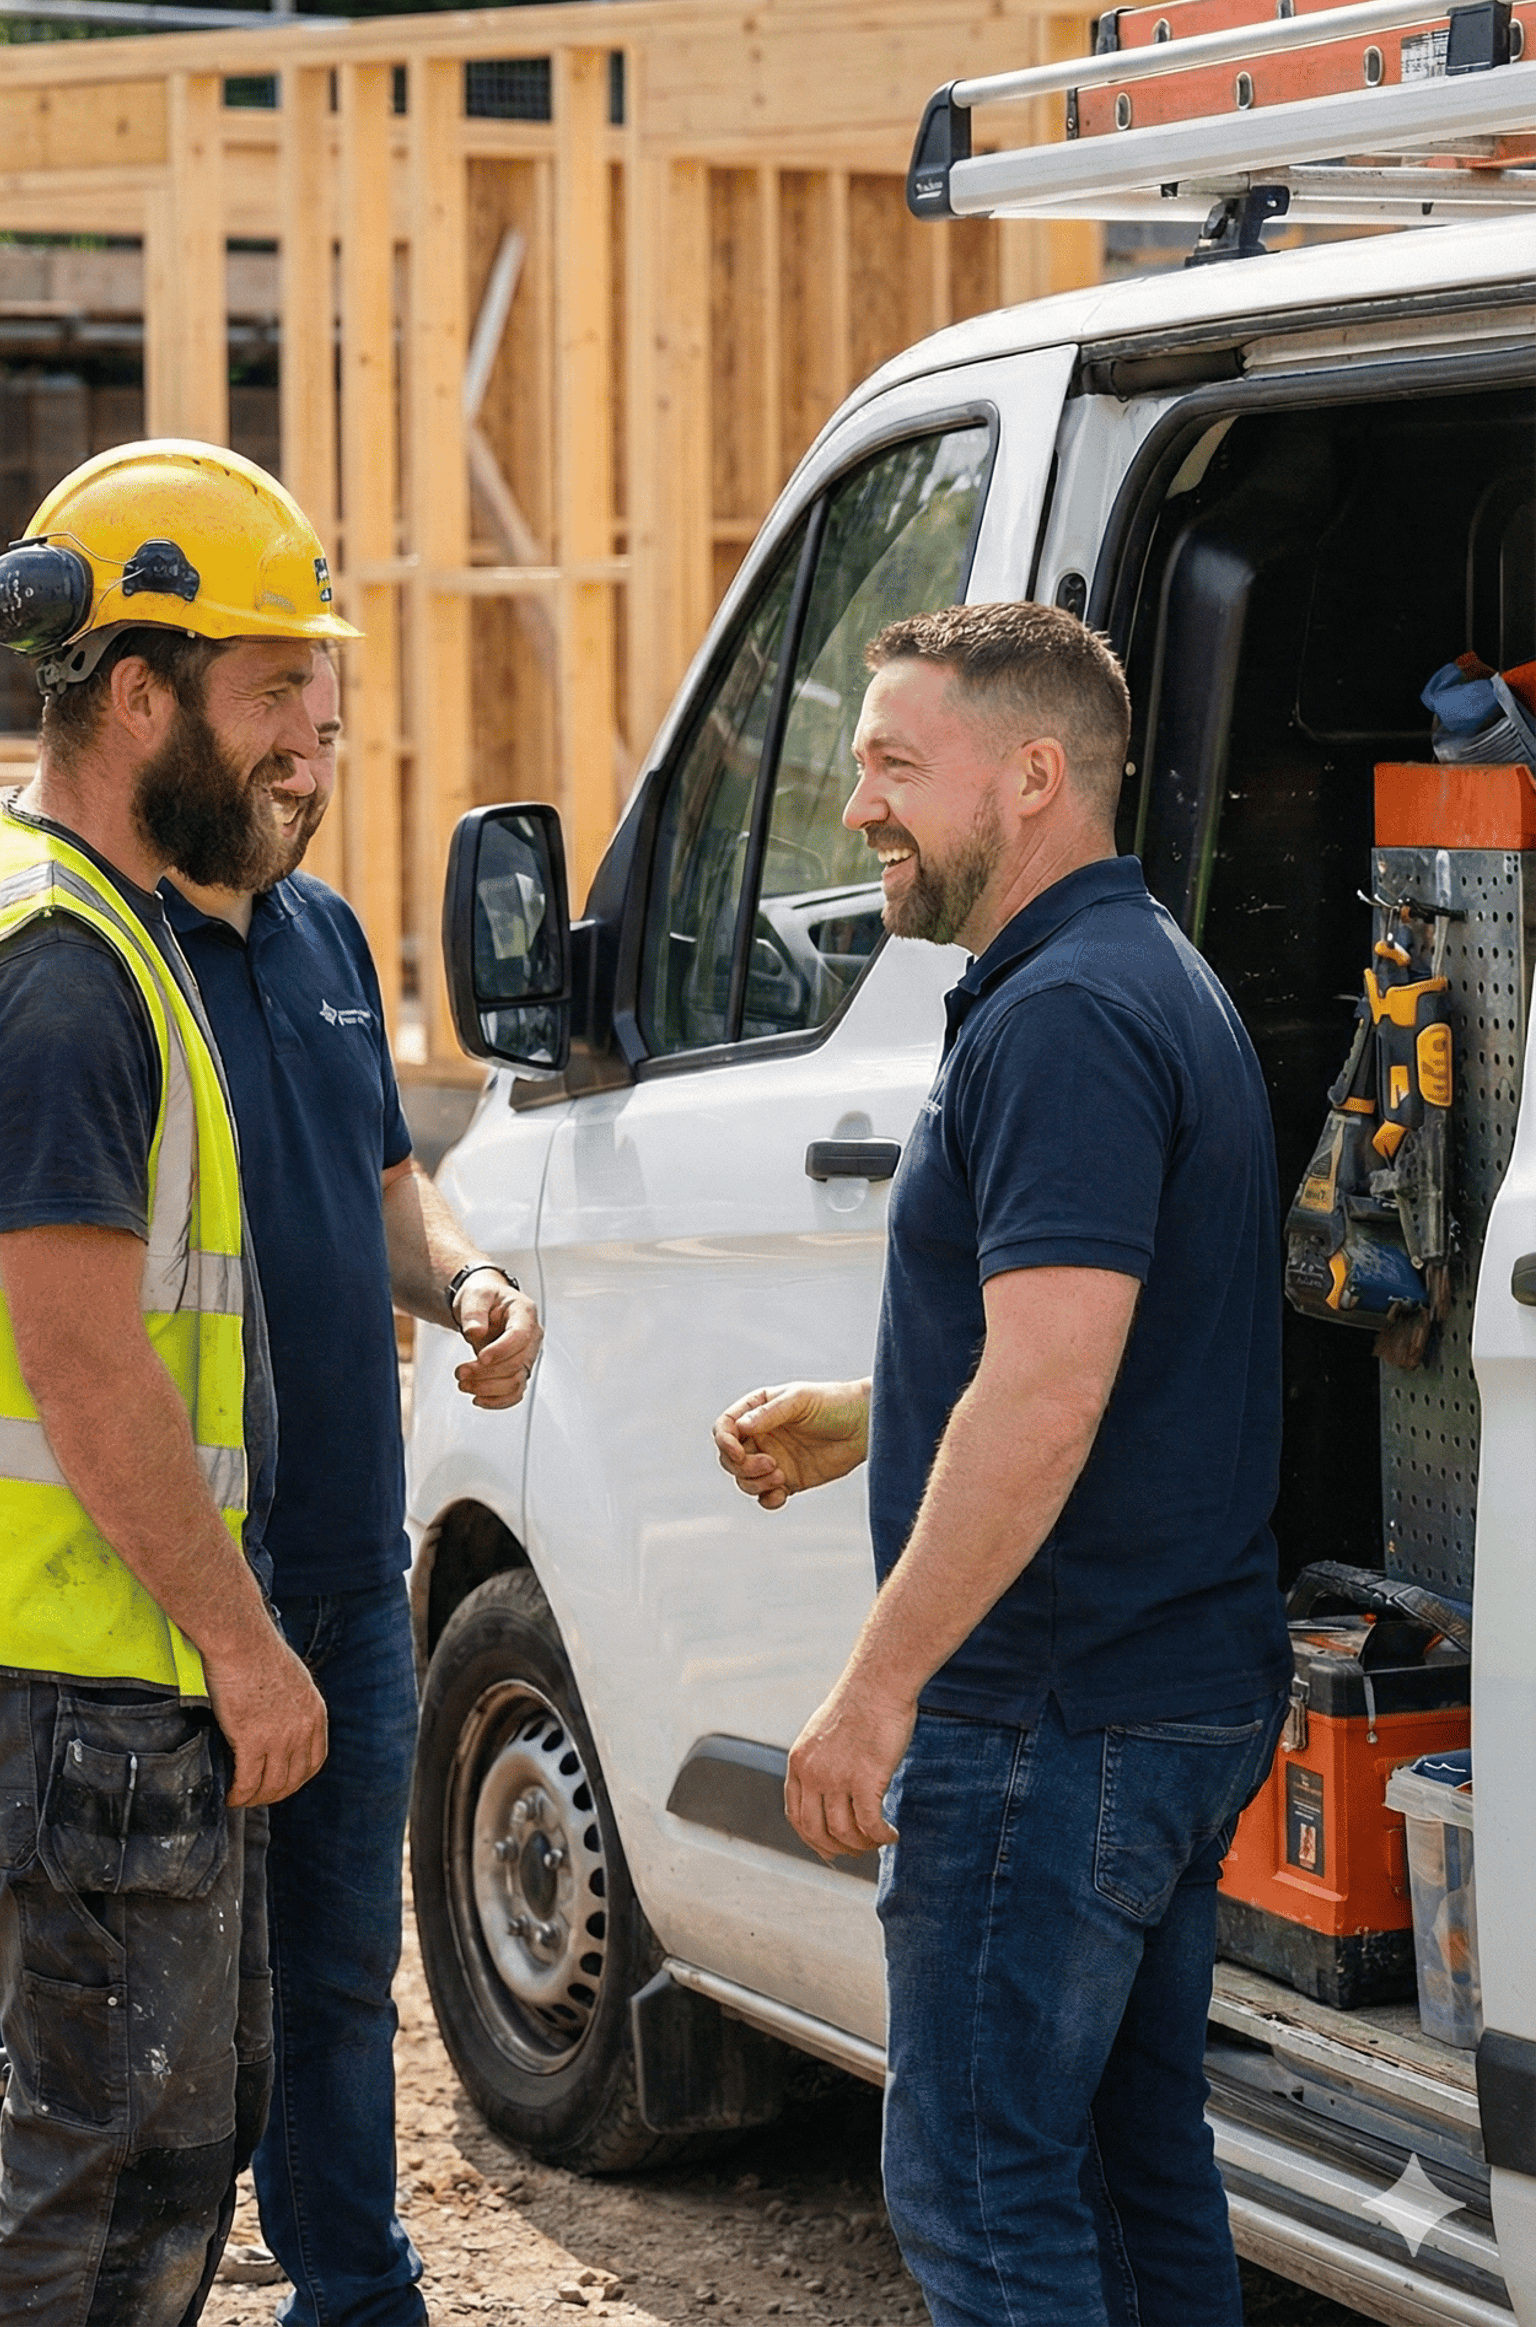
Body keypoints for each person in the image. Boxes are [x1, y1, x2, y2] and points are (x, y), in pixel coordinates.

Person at [713, 601, 1290, 2327]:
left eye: (895, 763)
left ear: (1033, 777)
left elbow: (1047, 1395)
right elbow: (1093, 1356)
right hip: (1158, 1692)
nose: (856, 806)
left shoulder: (1064, 1022)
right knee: (1128, 2170)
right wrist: (877, 1406)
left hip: (1052, 1716)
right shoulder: (1136, 977)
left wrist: (879, 1689)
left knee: (978, 2191)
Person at [0, 438, 346, 2327]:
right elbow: (85, 1365)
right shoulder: (57, 968)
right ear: (139, 694)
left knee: (167, 2139)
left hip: (86, 1642)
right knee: (120, 2165)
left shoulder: (75, 915)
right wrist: (245, 1645)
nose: (312, 735)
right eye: (273, 689)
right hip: (89, 1653)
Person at [164, 644, 541, 2327]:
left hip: (341, 1568)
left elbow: (390, 1183)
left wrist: (466, 1284)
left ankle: (356, 2292)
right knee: (174, 2009)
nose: (310, 770)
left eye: (330, 739)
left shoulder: (318, 939)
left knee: (334, 1980)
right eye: (281, 733)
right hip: (179, 1586)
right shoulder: (112, 957)